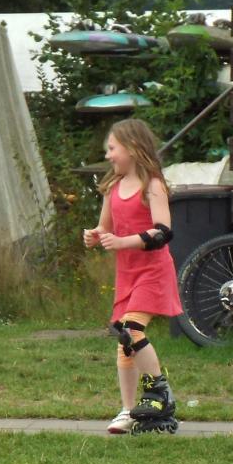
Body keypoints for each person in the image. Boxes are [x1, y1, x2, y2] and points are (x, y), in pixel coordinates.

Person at [83, 118, 182, 435]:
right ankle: (127, 411)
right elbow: (106, 227)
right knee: (124, 342)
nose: (108, 155)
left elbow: (163, 232)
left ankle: (159, 391)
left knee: (132, 329)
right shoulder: (112, 187)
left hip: (153, 271)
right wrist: (95, 235)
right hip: (127, 273)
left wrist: (123, 242)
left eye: (112, 148)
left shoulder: (152, 186)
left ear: (133, 147)